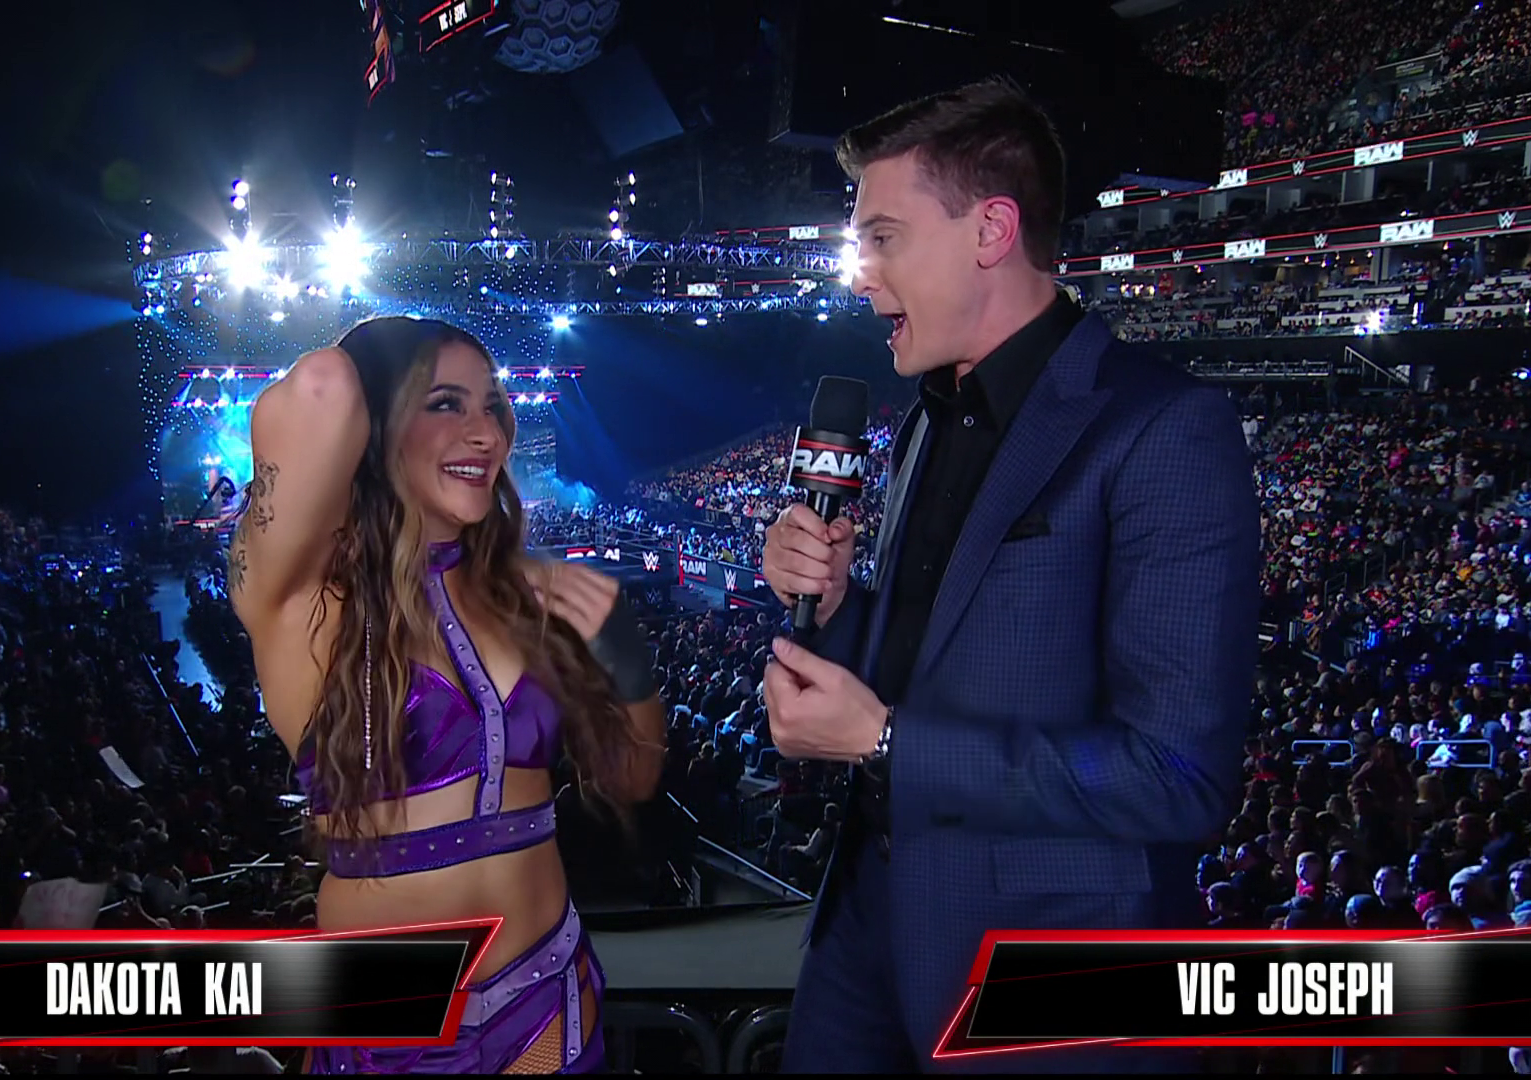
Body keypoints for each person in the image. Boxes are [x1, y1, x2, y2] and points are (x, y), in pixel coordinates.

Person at [759, 79, 1260, 1072]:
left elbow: (1179, 779)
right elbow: (923, 666)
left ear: (991, 230)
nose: (861, 276)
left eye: (883, 238)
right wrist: (837, 603)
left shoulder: (1164, 428)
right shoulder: (924, 420)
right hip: (861, 933)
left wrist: (888, 743)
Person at [228, 316, 665, 1073]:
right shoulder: (305, 602)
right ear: (377, 422)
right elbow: (322, 387)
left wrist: (623, 652)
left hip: (547, 1003)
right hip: (390, 1032)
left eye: (492, 406)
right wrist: (380, 369)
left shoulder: (521, 597)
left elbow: (634, 777)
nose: (486, 433)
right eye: (444, 404)